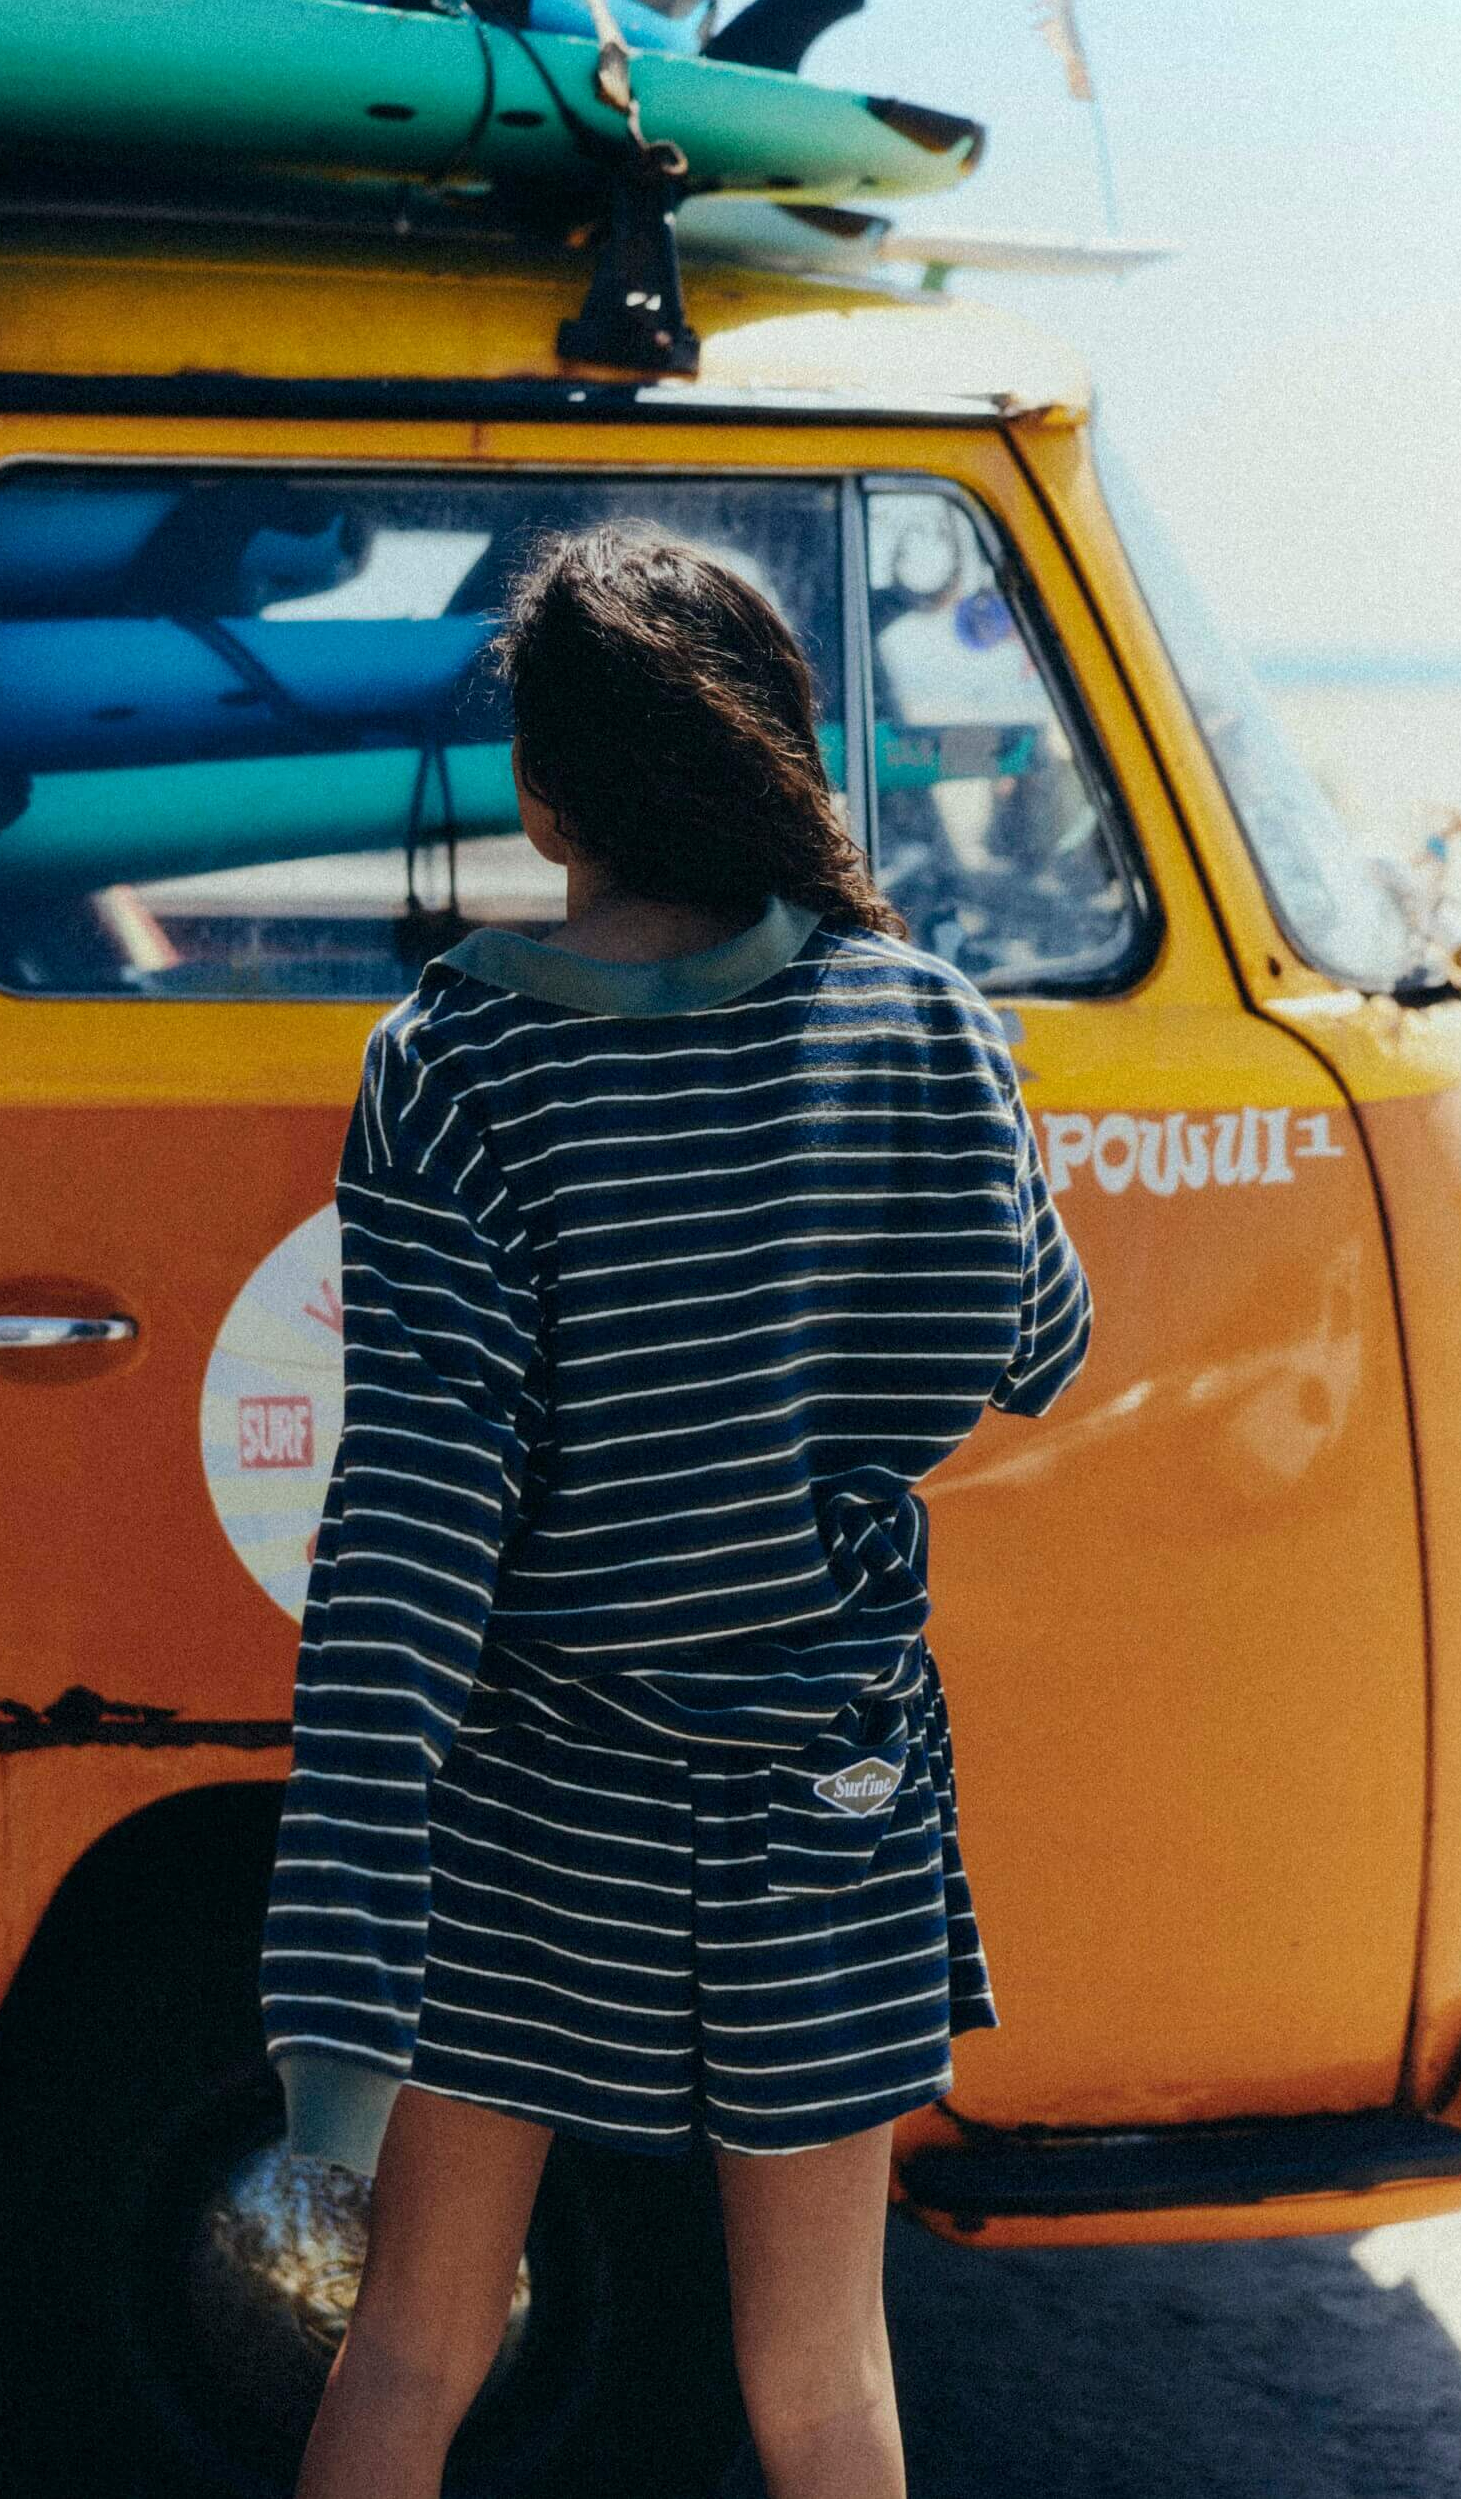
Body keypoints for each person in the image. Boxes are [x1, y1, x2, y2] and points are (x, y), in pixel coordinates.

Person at [259, 521, 1092, 2499]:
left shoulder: (455, 1062)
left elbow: (409, 1533)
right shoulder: (927, 1022)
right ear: (775, 753)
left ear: (548, 796)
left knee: (409, 2350)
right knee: (824, 2379)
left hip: (532, 1802)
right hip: (834, 1796)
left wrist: (337, 1991)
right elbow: (1038, 1338)